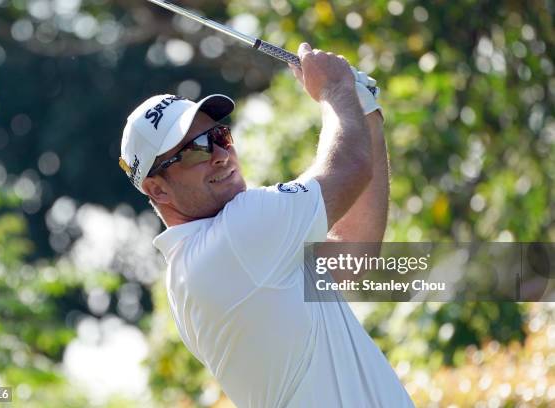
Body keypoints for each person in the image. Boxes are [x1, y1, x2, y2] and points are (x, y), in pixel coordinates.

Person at [118, 43, 415, 407]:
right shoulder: (235, 238)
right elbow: (349, 169)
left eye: (219, 136)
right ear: (157, 188)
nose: (221, 155)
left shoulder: (213, 263)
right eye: (196, 148)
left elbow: (355, 245)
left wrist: (364, 110)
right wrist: (336, 90)